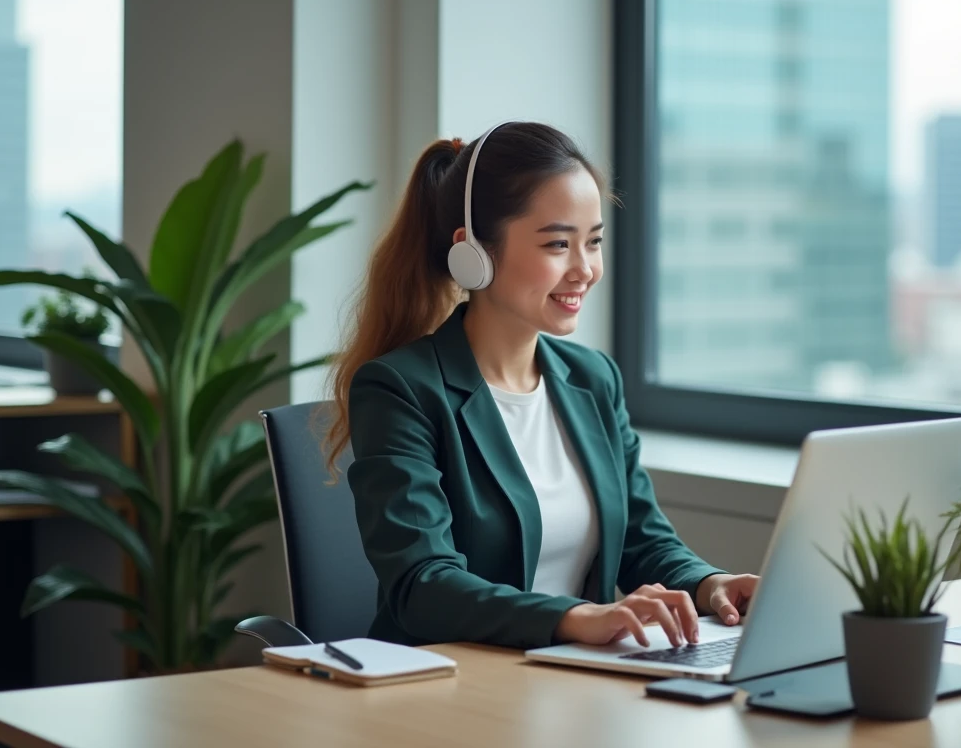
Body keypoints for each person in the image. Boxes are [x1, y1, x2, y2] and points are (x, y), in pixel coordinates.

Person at [324, 121, 759, 650]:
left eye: (593, 242)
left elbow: (642, 541)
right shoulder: (401, 389)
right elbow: (423, 585)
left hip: (577, 678)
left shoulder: (594, 379)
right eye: (558, 244)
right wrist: (575, 617)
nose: (585, 270)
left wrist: (710, 584)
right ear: (474, 253)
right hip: (456, 689)